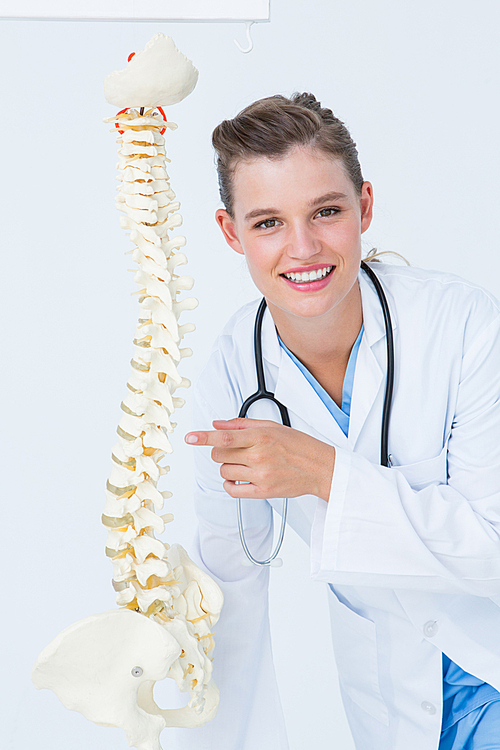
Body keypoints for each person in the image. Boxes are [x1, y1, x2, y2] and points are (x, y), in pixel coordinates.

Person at [182, 93, 500, 750]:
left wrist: (326, 472)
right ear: (229, 232)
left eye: (325, 212)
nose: (302, 248)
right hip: (390, 704)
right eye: (268, 222)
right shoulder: (235, 367)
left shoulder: (464, 325)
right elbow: (229, 586)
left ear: (365, 207)